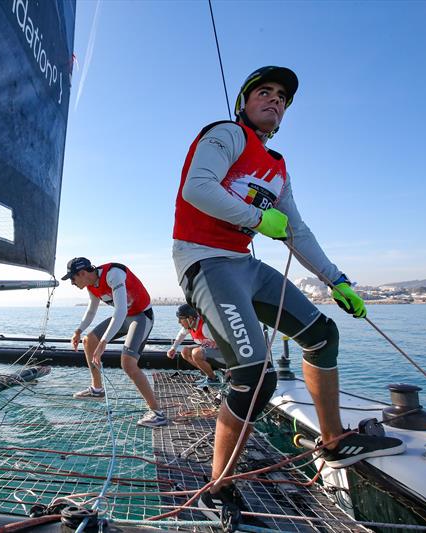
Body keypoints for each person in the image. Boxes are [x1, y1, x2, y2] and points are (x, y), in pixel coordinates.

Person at [171, 66, 405, 520]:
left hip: (245, 265)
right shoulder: (226, 134)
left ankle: (334, 439)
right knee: (255, 378)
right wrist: (259, 220)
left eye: (282, 98)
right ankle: (216, 490)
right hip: (206, 260)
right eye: (265, 92)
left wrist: (336, 279)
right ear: (245, 101)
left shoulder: (277, 166)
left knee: (323, 335)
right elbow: (196, 188)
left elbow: (296, 229)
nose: (275, 100)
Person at [63, 257, 167, 427]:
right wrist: (79, 330)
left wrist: (103, 342)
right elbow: (91, 311)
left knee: (128, 364)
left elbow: (120, 310)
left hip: (141, 317)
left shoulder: (114, 274)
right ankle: (97, 389)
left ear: (82, 273)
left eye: (72, 279)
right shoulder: (90, 285)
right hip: (124, 317)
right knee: (89, 340)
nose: (72, 283)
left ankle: (157, 413)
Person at [166, 304, 225, 389]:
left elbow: (226, 342)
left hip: (223, 355)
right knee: (185, 351)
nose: (179, 322)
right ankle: (209, 374)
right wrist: (173, 348)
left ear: (190, 318)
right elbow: (181, 335)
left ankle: (214, 380)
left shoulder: (205, 327)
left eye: (181, 318)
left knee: (196, 353)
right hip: (210, 352)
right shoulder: (190, 326)